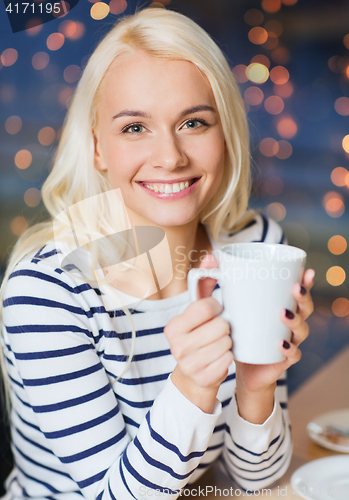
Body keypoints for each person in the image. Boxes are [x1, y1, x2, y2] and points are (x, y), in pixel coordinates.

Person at [0, 7, 315, 499]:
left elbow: (256, 477)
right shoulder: (49, 292)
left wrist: (257, 383)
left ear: (225, 134)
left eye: (193, 122)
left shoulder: (256, 251)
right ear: (98, 148)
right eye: (134, 128)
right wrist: (191, 384)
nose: (170, 156)